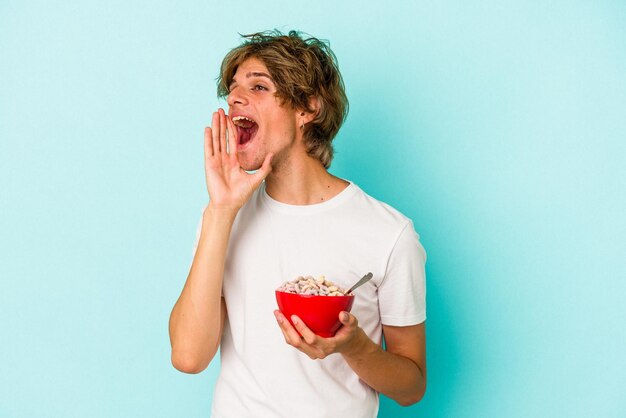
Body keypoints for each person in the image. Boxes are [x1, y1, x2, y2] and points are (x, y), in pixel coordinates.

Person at [169, 30, 427, 418]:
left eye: (258, 86)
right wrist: (220, 212)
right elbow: (188, 357)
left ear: (308, 108)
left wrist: (353, 346)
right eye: (233, 88)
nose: (235, 98)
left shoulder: (388, 232)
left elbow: (411, 387)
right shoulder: (223, 217)